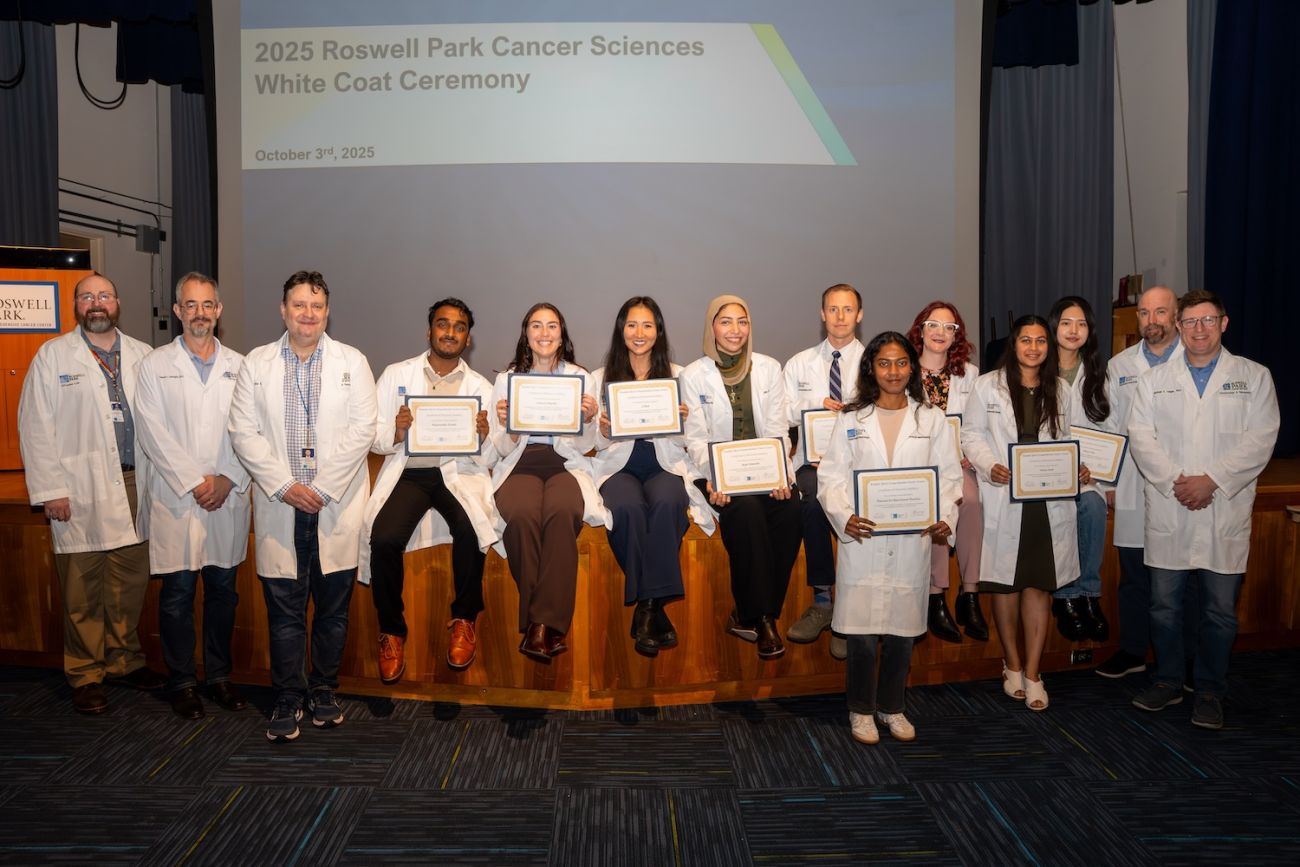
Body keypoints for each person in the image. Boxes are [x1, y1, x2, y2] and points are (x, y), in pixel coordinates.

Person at [228, 270, 377, 743]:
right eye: (298, 305)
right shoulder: (256, 364)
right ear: (283, 311)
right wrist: (285, 485)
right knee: (286, 610)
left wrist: (324, 487)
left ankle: (324, 690)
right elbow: (242, 432)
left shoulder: (353, 362)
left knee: (333, 609)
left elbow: (363, 430)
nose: (307, 314)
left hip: (335, 503)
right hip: (282, 503)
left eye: (315, 306)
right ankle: (288, 696)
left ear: (327, 312)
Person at [1127, 289, 1278, 730]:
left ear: (1223, 324)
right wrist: (1180, 481)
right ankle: (1169, 680)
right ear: (1178, 327)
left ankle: (1210, 689)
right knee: (1164, 607)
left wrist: (1211, 480)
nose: (1198, 329)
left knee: (1218, 610)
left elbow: (1261, 439)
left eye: (1207, 320)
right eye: (1190, 321)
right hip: (1172, 504)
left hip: (1222, 507)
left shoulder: (1254, 376)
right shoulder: (1153, 380)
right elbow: (1141, 437)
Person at [17, 272, 166, 713]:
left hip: (137, 481)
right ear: (76, 306)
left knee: (129, 580)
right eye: (87, 297)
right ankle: (85, 673)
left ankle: (124, 660)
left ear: (117, 303)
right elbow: (35, 427)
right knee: (82, 587)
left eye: (104, 295)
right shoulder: (52, 356)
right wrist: (50, 489)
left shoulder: (144, 355)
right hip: (77, 487)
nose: (96, 303)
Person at [817, 332, 961, 744]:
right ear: (871, 369)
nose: (893, 371)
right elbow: (830, 478)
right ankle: (861, 711)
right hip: (864, 540)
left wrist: (943, 517)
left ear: (912, 368)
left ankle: (892, 707)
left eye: (900, 363)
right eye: (884, 363)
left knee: (901, 631)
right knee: (861, 634)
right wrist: (844, 517)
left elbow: (949, 477)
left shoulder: (931, 418)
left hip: (911, 538)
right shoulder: (851, 418)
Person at [358, 298, 497, 682]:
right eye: (443, 324)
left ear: (468, 338)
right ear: (429, 330)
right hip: (411, 474)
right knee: (383, 537)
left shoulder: (480, 387)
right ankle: (391, 631)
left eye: (459, 327)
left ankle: (465, 620)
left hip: (456, 474)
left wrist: (486, 435)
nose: (450, 332)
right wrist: (397, 432)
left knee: (472, 529)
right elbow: (374, 437)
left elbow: (495, 450)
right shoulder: (395, 374)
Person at [133, 272, 251, 719]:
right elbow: (151, 431)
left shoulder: (242, 367)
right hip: (176, 497)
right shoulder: (154, 365)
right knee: (178, 594)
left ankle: (219, 677)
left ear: (218, 311)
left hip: (227, 494)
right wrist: (194, 480)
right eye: (190, 305)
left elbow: (252, 432)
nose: (199, 313)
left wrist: (225, 478)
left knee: (223, 593)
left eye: (207, 305)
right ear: (177, 311)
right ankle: (182, 682)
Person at [961, 314, 1088, 711]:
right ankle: (1011, 663)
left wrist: (1080, 466)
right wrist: (987, 464)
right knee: (1006, 585)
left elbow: (1072, 439)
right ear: (1013, 344)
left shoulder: (1061, 391)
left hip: (1047, 499)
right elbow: (971, 434)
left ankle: (1033, 672)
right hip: (1005, 494)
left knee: (1038, 585)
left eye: (1040, 341)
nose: (1033, 347)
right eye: (1025, 340)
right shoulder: (987, 387)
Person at [681, 295, 802, 659]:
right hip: (717, 475)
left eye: (742, 321)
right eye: (726, 321)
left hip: (767, 470)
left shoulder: (769, 368)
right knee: (747, 512)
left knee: (792, 510)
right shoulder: (692, 374)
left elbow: (780, 431)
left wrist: (783, 474)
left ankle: (746, 613)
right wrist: (716, 478)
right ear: (711, 328)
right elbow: (696, 440)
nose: (735, 330)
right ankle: (764, 617)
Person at [488, 303, 604, 661]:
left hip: (564, 463)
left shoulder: (582, 378)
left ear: (562, 333)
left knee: (562, 511)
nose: (544, 333)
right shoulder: (506, 380)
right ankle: (545, 625)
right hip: (520, 461)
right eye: (536, 326)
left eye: (551, 326)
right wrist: (507, 425)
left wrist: (588, 418)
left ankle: (538, 626)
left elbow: (588, 445)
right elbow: (496, 445)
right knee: (520, 516)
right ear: (526, 334)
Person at [591, 297, 706, 657]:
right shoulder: (599, 378)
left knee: (670, 502)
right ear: (620, 329)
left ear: (658, 331)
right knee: (626, 509)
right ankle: (654, 604)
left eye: (647, 326)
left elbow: (693, 436)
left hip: (663, 463)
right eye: (631, 325)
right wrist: (604, 429)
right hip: (619, 465)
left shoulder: (678, 374)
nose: (639, 333)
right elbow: (586, 442)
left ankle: (646, 607)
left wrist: (681, 422)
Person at [1095, 285, 1186, 679]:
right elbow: (1111, 426)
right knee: (1133, 577)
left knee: (1181, 580)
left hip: (1181, 486)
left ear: (1176, 316)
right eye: (1145, 313)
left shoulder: (1194, 360)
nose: (1152, 320)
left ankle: (1184, 661)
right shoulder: (1120, 365)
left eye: (1160, 312)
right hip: (1132, 481)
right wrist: (1108, 482)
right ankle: (1133, 651)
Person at [781, 284, 864, 658]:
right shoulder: (798, 363)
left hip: (859, 464)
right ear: (822, 314)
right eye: (833, 309)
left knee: (854, 508)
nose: (840, 317)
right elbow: (780, 412)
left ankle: (849, 611)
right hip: (811, 463)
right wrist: (816, 403)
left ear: (859, 316)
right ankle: (824, 600)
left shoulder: (874, 361)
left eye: (847, 310)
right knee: (812, 503)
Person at [907, 301, 988, 643]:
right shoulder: (904, 369)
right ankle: (935, 594)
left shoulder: (970, 375)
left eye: (949, 327)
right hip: (916, 465)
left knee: (971, 501)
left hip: (958, 463)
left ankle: (969, 593)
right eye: (933, 325)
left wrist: (971, 455)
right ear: (920, 330)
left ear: (957, 335)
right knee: (935, 505)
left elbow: (979, 425)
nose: (940, 332)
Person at [1048, 296, 1112, 643]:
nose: (1074, 331)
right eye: (1067, 323)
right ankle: (1065, 596)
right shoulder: (1037, 368)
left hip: (1087, 474)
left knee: (1091, 506)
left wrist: (1093, 468)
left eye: (1082, 324)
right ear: (1053, 325)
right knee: (1060, 514)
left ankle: (1088, 593)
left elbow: (1108, 430)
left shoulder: (1102, 373)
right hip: (1046, 474)